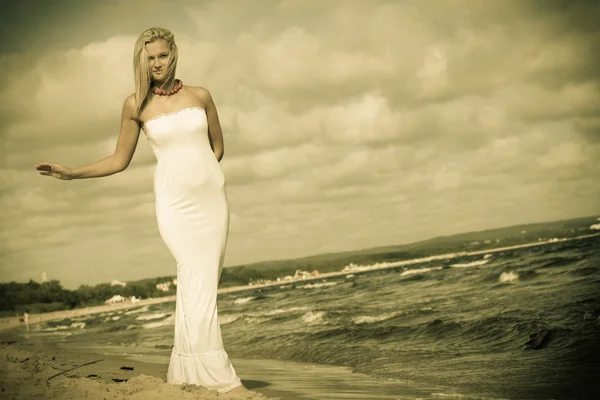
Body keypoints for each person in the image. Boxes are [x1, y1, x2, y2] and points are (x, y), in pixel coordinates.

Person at [33, 27, 248, 394]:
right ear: (141, 62)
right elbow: (119, 160)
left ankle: (188, 375)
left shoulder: (201, 95)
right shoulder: (136, 104)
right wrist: (71, 174)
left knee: (202, 284)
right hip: (175, 206)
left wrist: (204, 177)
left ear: (173, 54)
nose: (157, 63)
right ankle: (219, 377)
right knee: (194, 275)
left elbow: (218, 147)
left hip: (212, 202)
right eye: (149, 58)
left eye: (162, 55)